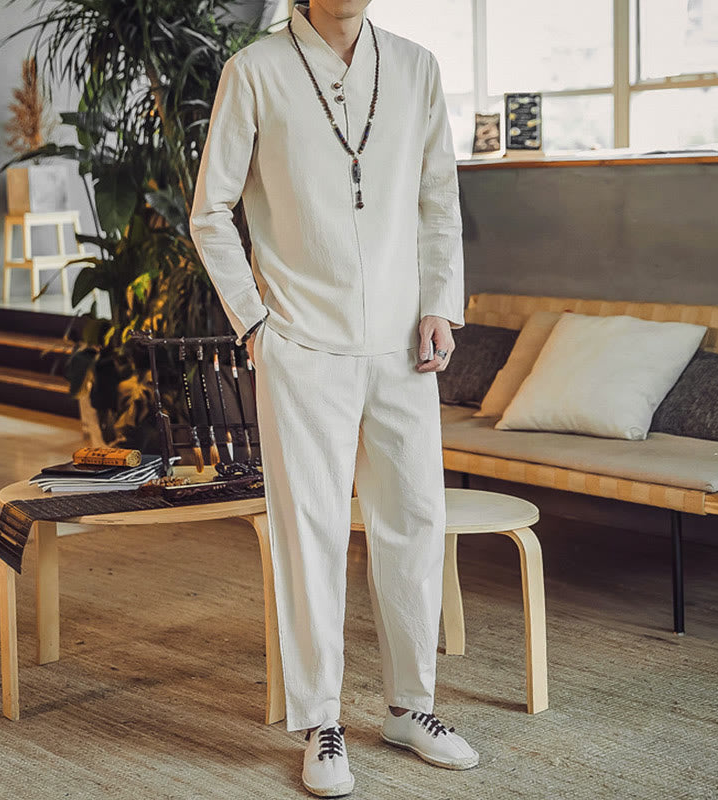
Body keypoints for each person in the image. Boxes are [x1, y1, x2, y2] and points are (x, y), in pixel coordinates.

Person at [190, 1, 478, 795]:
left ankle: (412, 707)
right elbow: (209, 211)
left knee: (414, 521)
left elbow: (438, 199)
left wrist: (439, 304)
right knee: (309, 531)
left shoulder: (416, 67)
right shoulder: (254, 71)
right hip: (300, 347)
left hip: (403, 346)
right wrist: (254, 323)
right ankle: (321, 720)